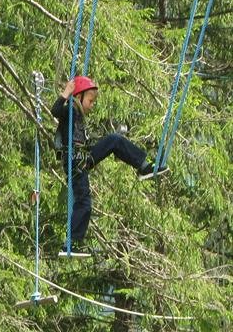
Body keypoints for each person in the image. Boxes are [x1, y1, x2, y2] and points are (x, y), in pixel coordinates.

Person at [53, 76, 167, 253]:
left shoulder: (78, 116)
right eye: (90, 101)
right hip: (75, 163)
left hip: (82, 158)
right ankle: (71, 243)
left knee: (115, 140)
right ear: (79, 97)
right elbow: (55, 110)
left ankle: (144, 166)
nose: (92, 105)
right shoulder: (71, 111)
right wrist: (66, 93)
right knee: (84, 203)